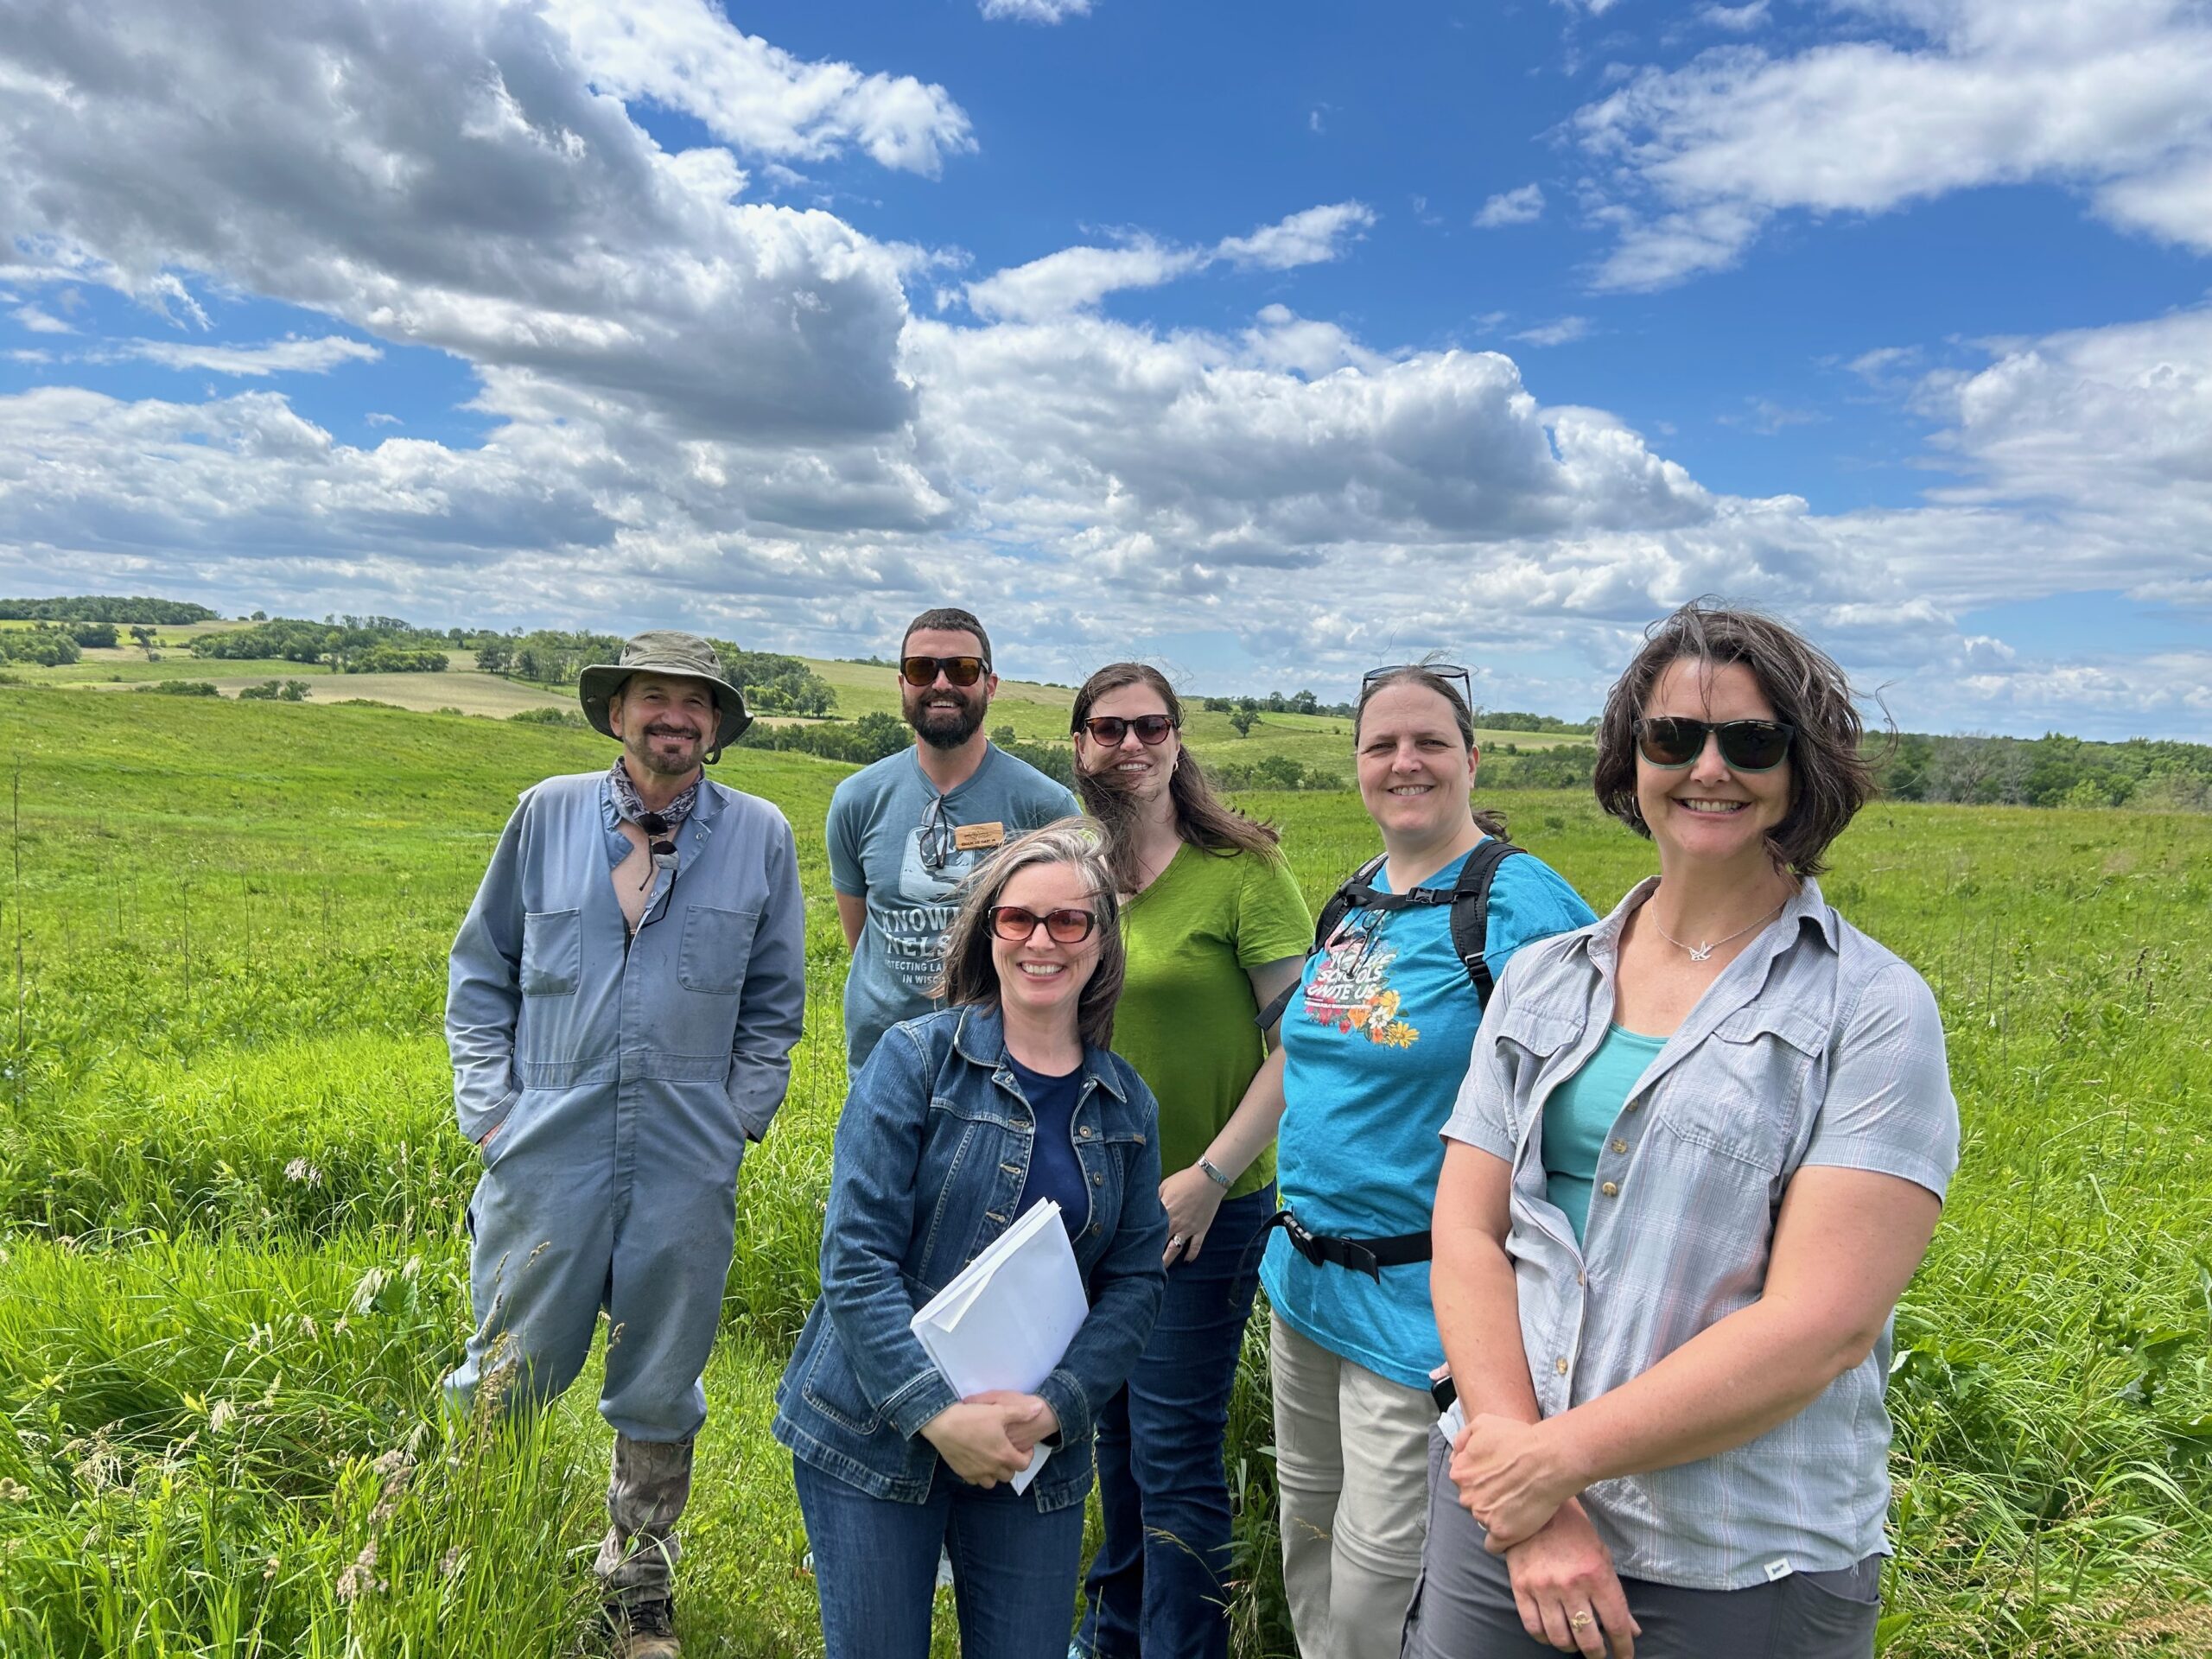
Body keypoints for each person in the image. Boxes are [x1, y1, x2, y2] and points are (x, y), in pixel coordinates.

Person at [1408, 602, 1959, 1659]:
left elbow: (1821, 1324)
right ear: (1632, 757)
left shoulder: (1874, 1011)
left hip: (1734, 1554)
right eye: (1674, 737)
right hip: (1499, 1511)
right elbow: (1470, 1232)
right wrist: (1523, 1475)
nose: (1710, 768)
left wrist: (1550, 1465)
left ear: (1804, 769)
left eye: (1751, 741)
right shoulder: (1542, 976)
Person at [444, 631, 806, 1659]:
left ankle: (636, 1578)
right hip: (544, 1142)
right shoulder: (546, 814)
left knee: (661, 1371)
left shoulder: (761, 833)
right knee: (512, 1361)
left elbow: (776, 999)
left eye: (696, 704)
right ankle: (472, 1537)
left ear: (717, 729)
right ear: (616, 713)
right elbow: (481, 977)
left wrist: (738, 1115)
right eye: (654, 697)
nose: (674, 718)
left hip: (689, 1148)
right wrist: (494, 1115)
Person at [1249, 664, 1597, 1659]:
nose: (1404, 763)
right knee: (1307, 1552)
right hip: (1301, 1290)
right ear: (1357, 766)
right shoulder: (1354, 902)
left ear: (1470, 760)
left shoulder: (1521, 907)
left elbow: (1583, 1120)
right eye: (1380, 745)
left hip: (1419, 1314)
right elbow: (1304, 1067)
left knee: (1378, 1592)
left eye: (1429, 743)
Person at [773, 822, 1169, 1659]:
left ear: (1100, 944)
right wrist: (935, 1413)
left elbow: (1135, 1284)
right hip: (873, 1431)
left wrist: (1056, 1407)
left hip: (1033, 1449)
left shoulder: (1126, 1107)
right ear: (986, 930)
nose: (1040, 941)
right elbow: (855, 1259)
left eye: (1069, 922)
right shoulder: (914, 1063)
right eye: (1017, 919)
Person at [1064, 664, 1315, 1659]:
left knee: (1171, 1455)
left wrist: (1210, 1178)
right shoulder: (1079, 872)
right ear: (1078, 743)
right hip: (1089, 1206)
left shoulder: (1242, 870)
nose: (1130, 745)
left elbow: (1301, 1046)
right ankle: (1112, 1631)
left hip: (1199, 1210)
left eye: (1151, 726)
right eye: (1108, 727)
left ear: (1178, 740)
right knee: (1110, 1442)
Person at [828, 606, 1078, 1073]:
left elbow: (1071, 940)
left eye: (962, 669)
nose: (941, 684)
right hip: (882, 1062)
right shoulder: (857, 800)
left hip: (1002, 1063)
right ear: (902, 683)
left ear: (990, 684)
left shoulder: (1046, 806)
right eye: (922, 668)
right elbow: (863, 934)